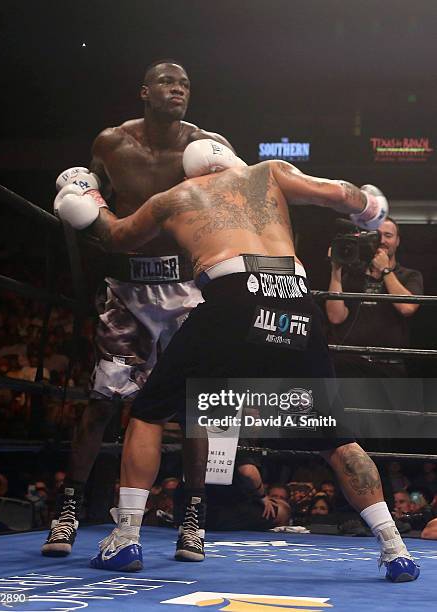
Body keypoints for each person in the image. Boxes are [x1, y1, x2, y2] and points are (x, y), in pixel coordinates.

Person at [56, 142, 419, 582]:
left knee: (149, 413)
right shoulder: (268, 173)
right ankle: (395, 547)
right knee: (337, 438)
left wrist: (86, 196)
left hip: (232, 297)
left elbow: (114, 236)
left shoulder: (174, 198)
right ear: (229, 158)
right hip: (293, 301)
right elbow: (342, 195)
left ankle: (125, 539)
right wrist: (371, 208)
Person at [42, 59, 236, 557]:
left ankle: (193, 518)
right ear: (144, 92)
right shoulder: (110, 144)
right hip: (125, 293)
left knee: (193, 410)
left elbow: (236, 204)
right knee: (101, 404)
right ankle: (67, 511)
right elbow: (93, 209)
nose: (178, 90)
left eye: (186, 84)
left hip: (184, 291)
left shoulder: (206, 146)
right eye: (168, 82)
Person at [326, 217, 423, 379]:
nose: (382, 240)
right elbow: (336, 317)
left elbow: (407, 308)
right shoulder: (354, 275)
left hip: (390, 366)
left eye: (388, 235)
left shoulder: (410, 275)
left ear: (397, 241)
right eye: (377, 235)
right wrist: (336, 270)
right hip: (352, 363)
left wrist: (385, 270)